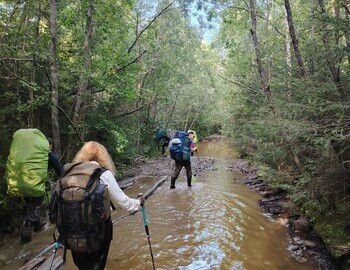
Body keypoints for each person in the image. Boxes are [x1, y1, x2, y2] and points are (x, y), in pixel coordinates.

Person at [67, 141, 144, 270]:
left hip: (72, 228)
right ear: (103, 156)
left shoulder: (70, 174)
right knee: (96, 266)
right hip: (97, 230)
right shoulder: (103, 174)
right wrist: (138, 203)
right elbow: (124, 202)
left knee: (83, 266)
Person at [5, 129, 62, 244]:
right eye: (51, 146)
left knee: (32, 208)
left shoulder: (31, 156)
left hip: (21, 185)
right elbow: (61, 172)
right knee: (32, 212)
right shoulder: (50, 155)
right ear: (49, 145)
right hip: (36, 187)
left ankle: (37, 226)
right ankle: (25, 243)